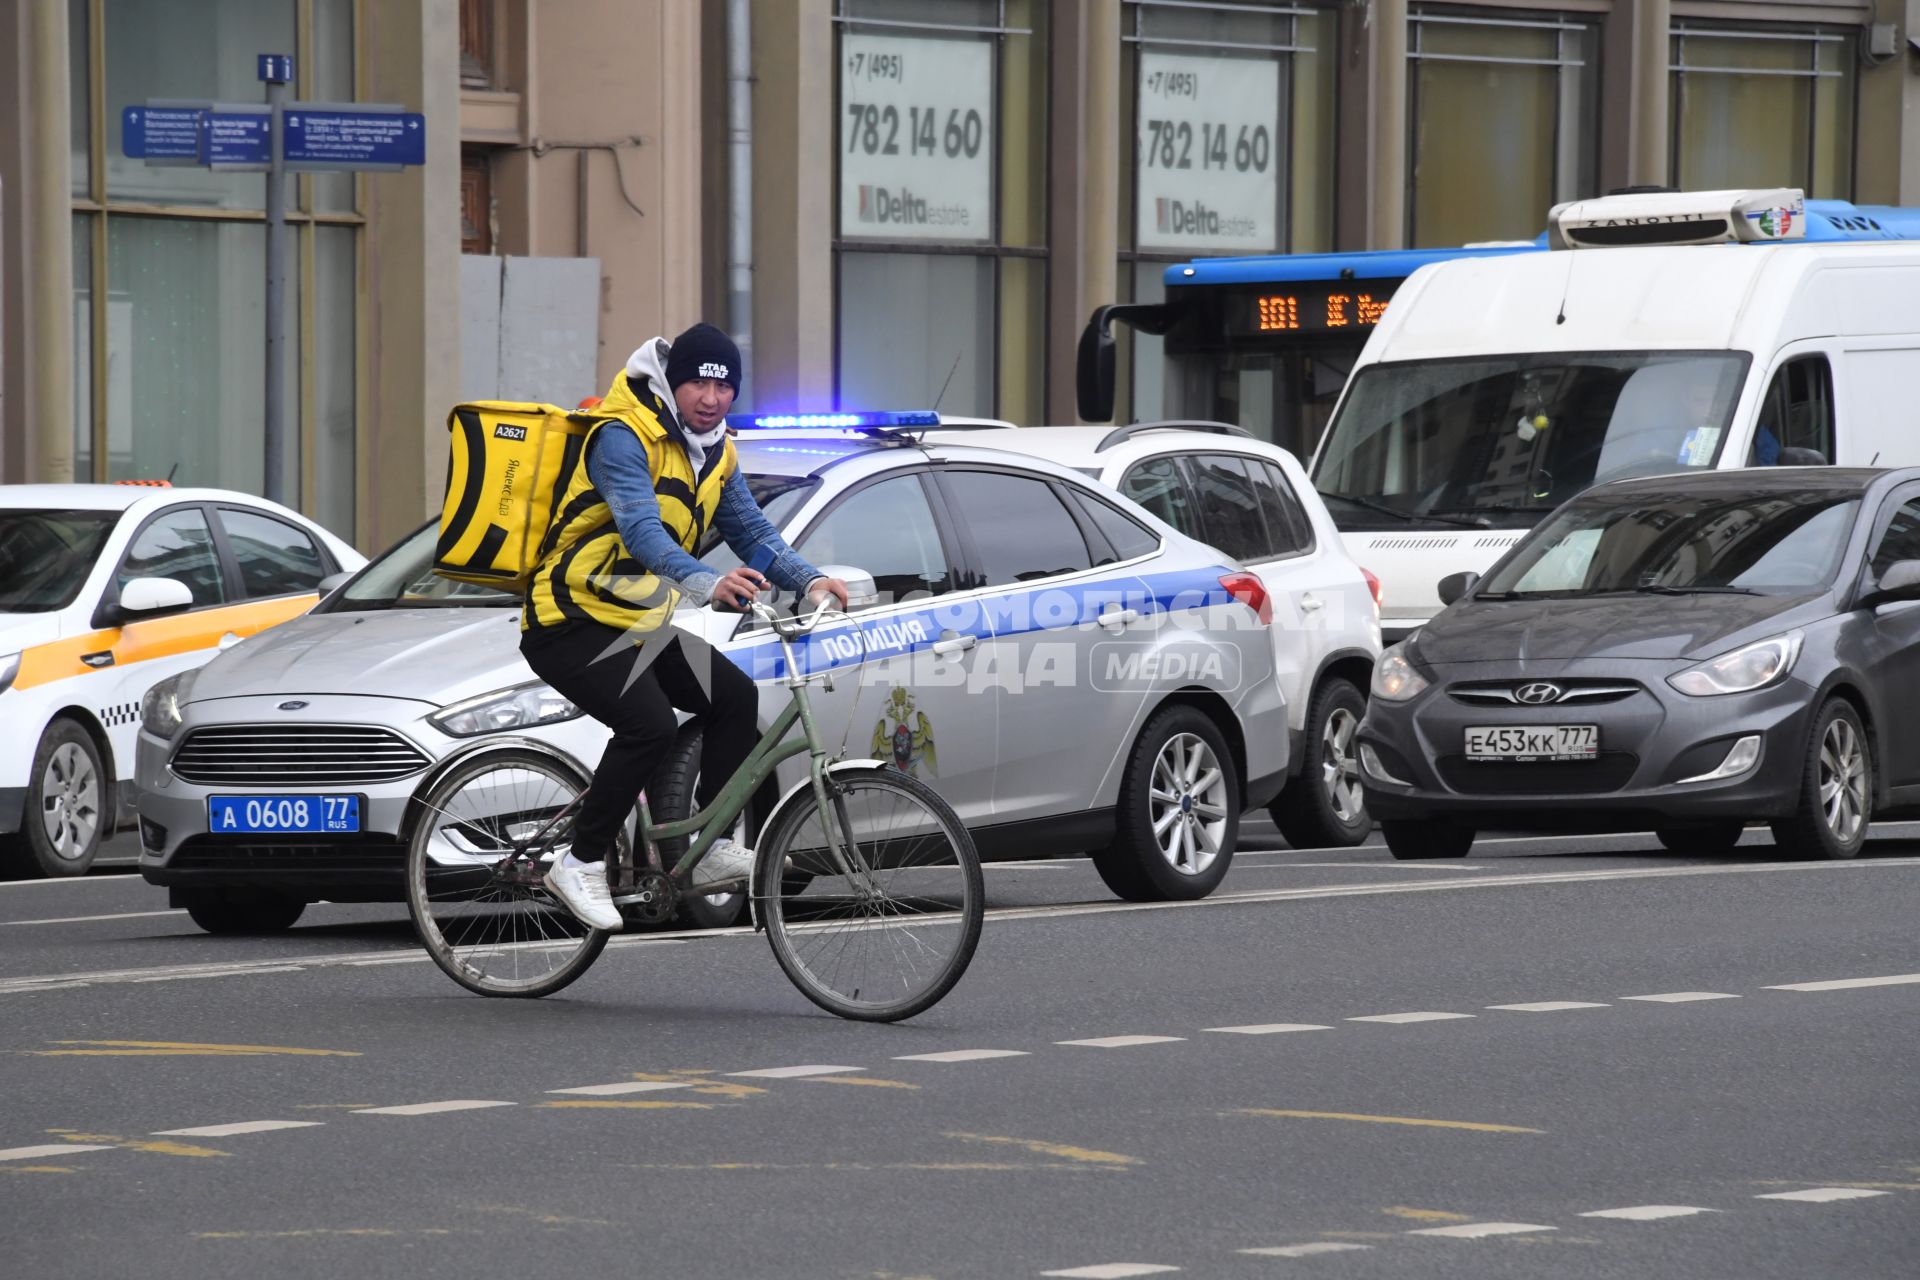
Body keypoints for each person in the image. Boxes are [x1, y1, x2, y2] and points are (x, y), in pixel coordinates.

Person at [519, 322, 848, 930]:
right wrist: (707, 581)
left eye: (725, 388)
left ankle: (713, 844)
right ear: (673, 384)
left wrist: (810, 579)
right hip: (568, 617)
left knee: (733, 697)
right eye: (697, 382)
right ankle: (580, 861)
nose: (711, 398)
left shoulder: (718, 450)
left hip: (637, 623)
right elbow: (642, 530)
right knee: (646, 723)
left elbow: (752, 530)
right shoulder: (623, 435)